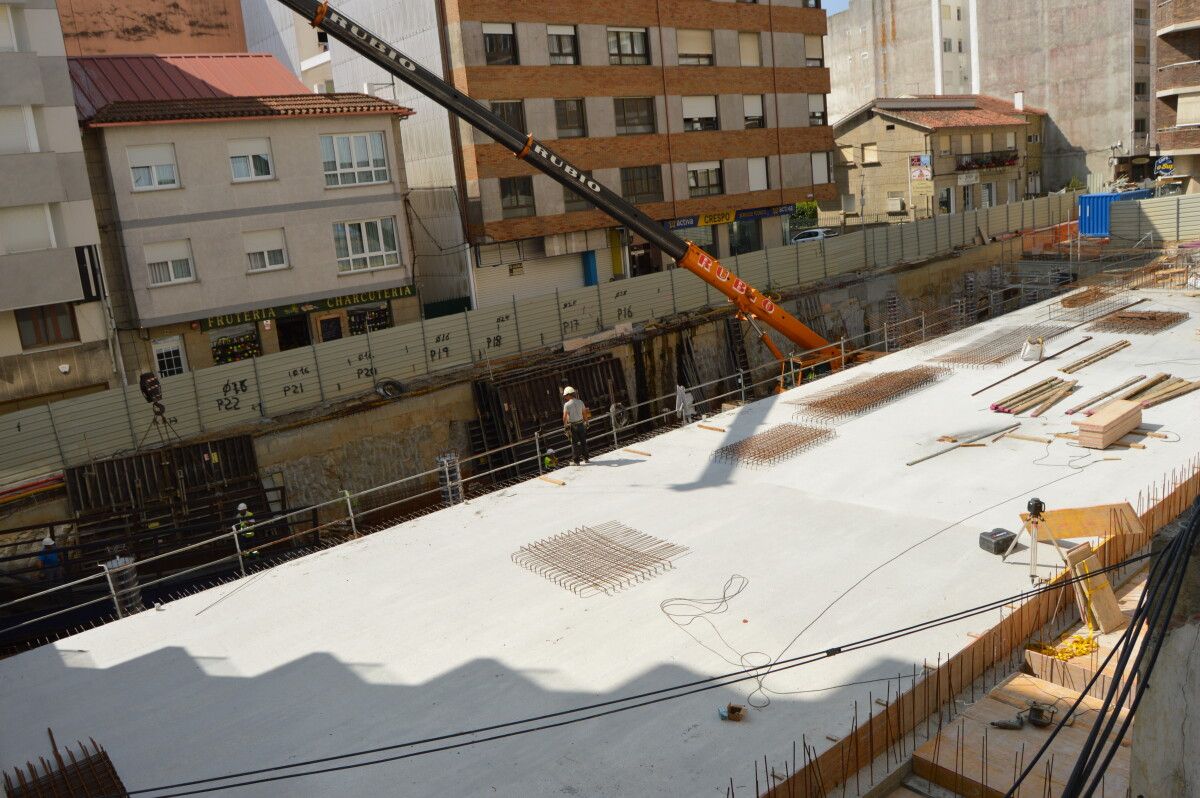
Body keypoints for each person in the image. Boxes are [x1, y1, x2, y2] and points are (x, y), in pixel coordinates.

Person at [562, 386, 591, 465]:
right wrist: (587, 422)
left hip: (573, 426)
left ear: (569, 394)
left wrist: (565, 427)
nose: (564, 397)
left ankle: (576, 461)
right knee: (583, 442)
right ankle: (586, 458)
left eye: (565, 395)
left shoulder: (566, 405)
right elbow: (584, 413)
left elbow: (564, 417)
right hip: (581, 424)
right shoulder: (580, 402)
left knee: (574, 443)